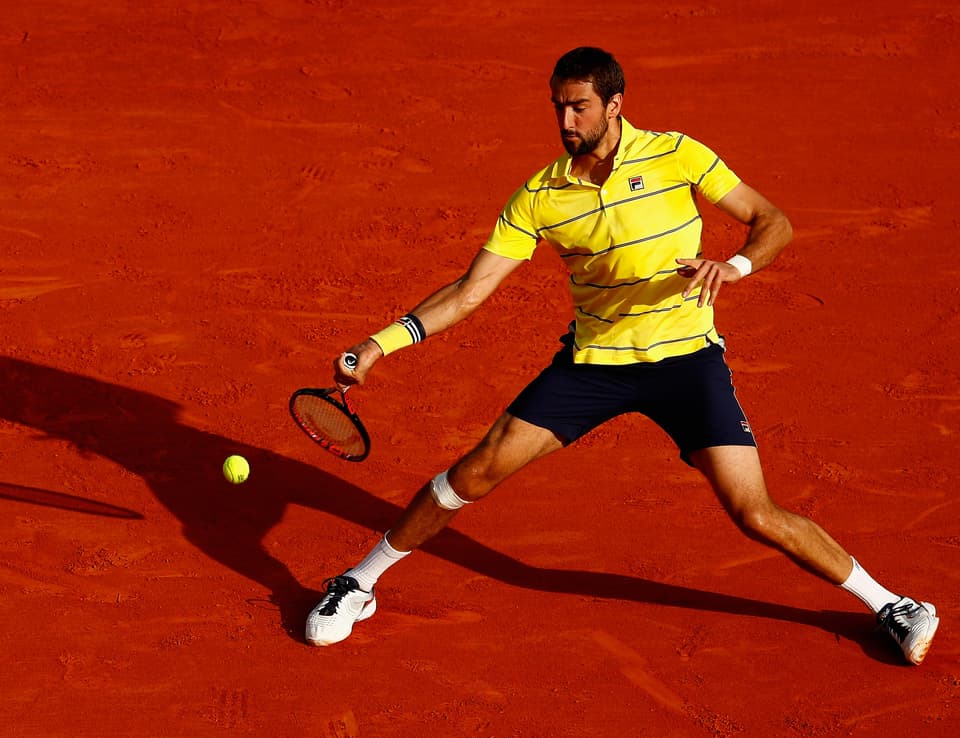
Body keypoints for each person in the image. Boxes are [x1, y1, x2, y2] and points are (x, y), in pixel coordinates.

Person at [303, 47, 939, 664]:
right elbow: (471, 291)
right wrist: (378, 343)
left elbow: (772, 219)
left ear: (614, 104)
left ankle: (892, 605)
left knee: (753, 511)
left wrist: (734, 264)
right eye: (557, 107)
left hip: (687, 361)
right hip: (595, 366)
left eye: (578, 107)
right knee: (477, 470)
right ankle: (359, 583)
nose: (565, 122)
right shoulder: (540, 195)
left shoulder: (676, 153)